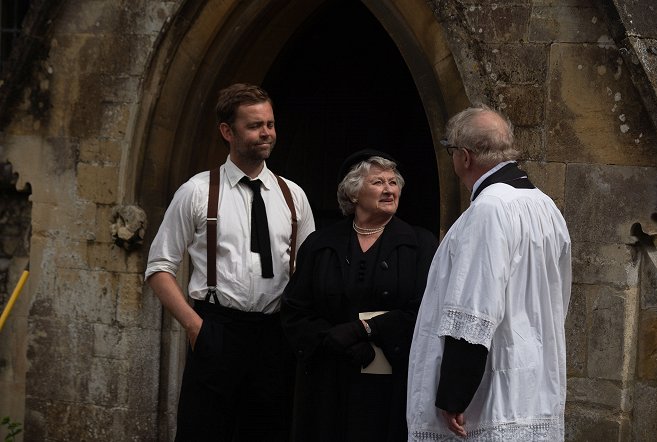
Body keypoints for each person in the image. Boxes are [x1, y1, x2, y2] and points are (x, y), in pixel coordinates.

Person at [145, 83, 315, 441]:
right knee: (203, 431)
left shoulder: (292, 195)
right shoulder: (197, 192)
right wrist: (195, 327)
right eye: (255, 125)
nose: (266, 132)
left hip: (273, 334)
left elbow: (308, 273)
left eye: (270, 123)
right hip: (216, 327)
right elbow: (159, 267)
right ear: (227, 131)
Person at [407, 105, 572, 441]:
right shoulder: (545, 205)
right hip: (535, 380)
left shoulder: (489, 210)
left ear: (464, 157)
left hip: (492, 392)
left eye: (451, 151)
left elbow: (474, 310)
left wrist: (454, 395)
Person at [281, 149, 438, 442]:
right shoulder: (320, 243)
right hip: (328, 383)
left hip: (390, 384)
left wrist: (366, 329)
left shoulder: (419, 244)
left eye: (393, 182)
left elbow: (425, 313)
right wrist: (332, 340)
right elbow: (295, 311)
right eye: (378, 182)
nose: (389, 189)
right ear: (353, 193)